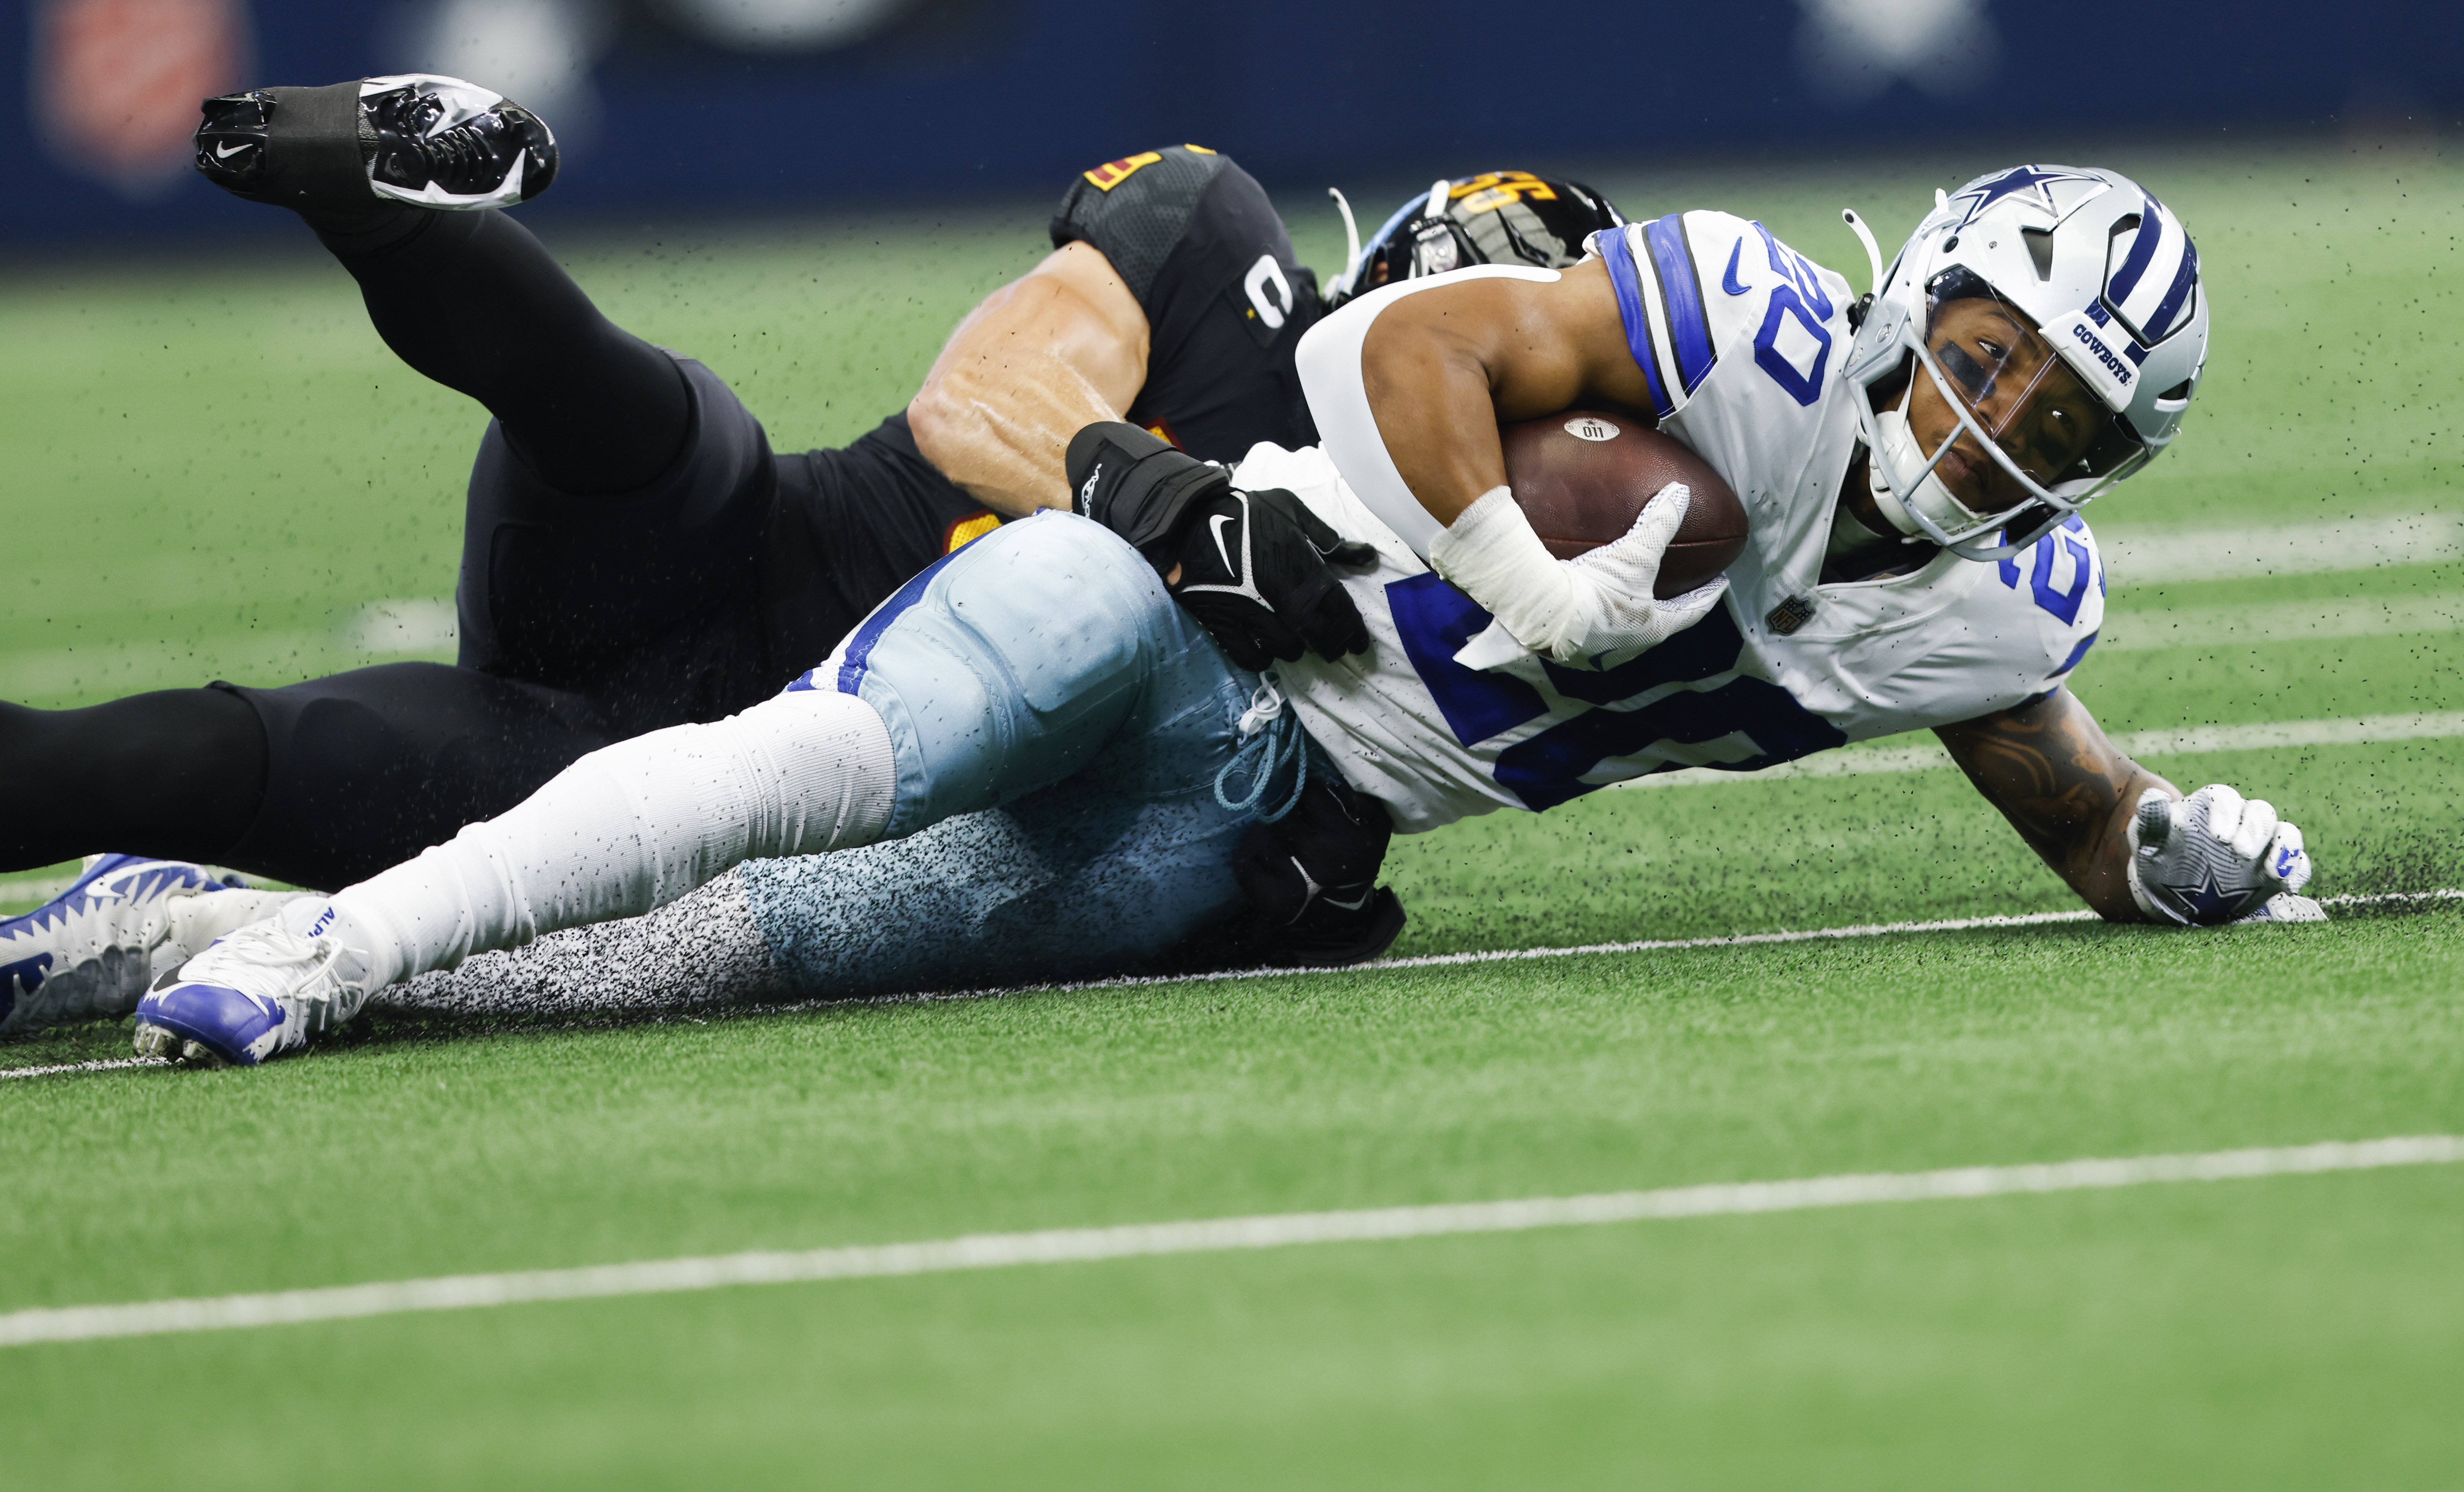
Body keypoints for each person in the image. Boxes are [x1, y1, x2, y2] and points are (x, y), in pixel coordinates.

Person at [126, 162, 2317, 1066]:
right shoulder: (1734, 316)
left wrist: (2180, 847)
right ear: (1917, 283)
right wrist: (1524, 575)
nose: (1994, 410)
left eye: (2058, 404)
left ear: (2108, 458)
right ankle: (340, 938)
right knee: (814, 766)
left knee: (732, 959)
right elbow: (1394, 364)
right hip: (1194, 607)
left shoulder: (2005, 609)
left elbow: (2070, 799)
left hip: (1260, 820)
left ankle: (165, 929)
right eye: (1987, 343)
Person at [0, 73, 1624, 1030]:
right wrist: (1167, 498)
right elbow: (984, 394)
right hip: (753, 562)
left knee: (209, 758)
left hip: (665, 790)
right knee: (646, 430)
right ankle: (385, 196)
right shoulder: (1221, 250)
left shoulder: (1441, 580)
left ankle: (146, 884)